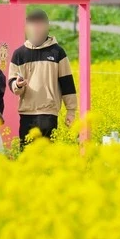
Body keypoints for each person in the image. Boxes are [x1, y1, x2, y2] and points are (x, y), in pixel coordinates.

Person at [8, 9, 77, 145]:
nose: (37, 28)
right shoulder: (19, 54)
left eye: (40, 24)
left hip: (48, 113)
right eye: (33, 25)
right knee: (26, 157)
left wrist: (71, 110)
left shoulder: (57, 52)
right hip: (27, 113)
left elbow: (67, 83)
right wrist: (18, 85)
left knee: (46, 157)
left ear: (47, 26)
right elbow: (12, 82)